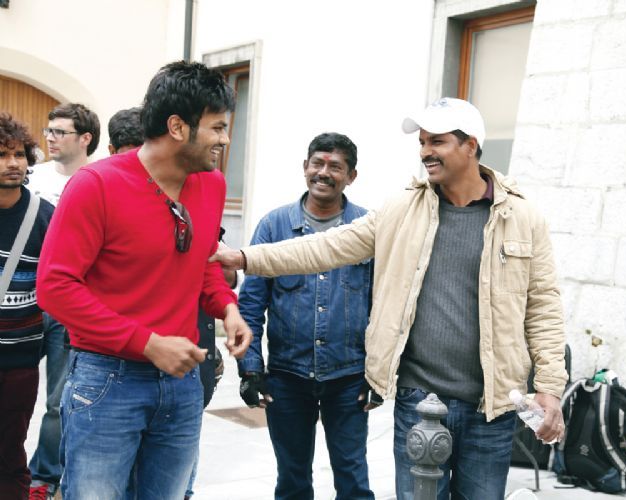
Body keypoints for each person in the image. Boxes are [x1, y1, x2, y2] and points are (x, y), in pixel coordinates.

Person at [211, 97, 568, 499]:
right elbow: (326, 247)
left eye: (437, 141)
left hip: (492, 405)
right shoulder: (403, 209)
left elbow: (543, 306)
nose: (425, 152)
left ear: (470, 145)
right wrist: (244, 258)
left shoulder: (522, 217)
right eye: (423, 142)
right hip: (419, 401)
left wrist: (550, 387)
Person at [37, 61, 252, 498]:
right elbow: (55, 288)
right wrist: (148, 343)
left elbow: (203, 261)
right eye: (217, 127)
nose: (225, 139)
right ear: (177, 127)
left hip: (182, 382)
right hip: (106, 380)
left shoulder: (211, 185)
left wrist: (227, 307)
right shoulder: (95, 185)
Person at [237, 132, 378, 500]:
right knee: (292, 480)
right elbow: (250, 305)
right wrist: (251, 370)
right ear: (305, 167)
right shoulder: (274, 226)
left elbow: (384, 308)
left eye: (336, 167)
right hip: (287, 377)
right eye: (318, 163)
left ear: (351, 176)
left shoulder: (368, 229)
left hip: (349, 379)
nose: (324, 173)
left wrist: (378, 376)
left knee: (353, 479)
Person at [27, 102, 100, 500]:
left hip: (67, 307)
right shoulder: (32, 177)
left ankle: (44, 476)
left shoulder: (97, 181)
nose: (50, 138)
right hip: (23, 301)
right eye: (49, 130)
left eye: (60, 132)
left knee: (58, 400)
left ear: (85, 138)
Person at [0, 113, 55, 499]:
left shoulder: (45, 215)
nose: (13, 162)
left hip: (20, 360)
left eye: (19, 154)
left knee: (10, 453)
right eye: (2, 154)